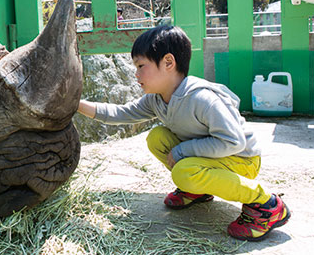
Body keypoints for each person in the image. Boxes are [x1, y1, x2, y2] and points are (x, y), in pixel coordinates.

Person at [78, 25, 290, 241]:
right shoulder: (157, 99)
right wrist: (75, 104)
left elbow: (233, 141)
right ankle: (198, 190)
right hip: (213, 157)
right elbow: (121, 113)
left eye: (141, 65)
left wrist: (182, 151)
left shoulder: (201, 99)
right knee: (157, 137)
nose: (136, 74)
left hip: (241, 159)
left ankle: (267, 205)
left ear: (168, 62)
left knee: (184, 172)